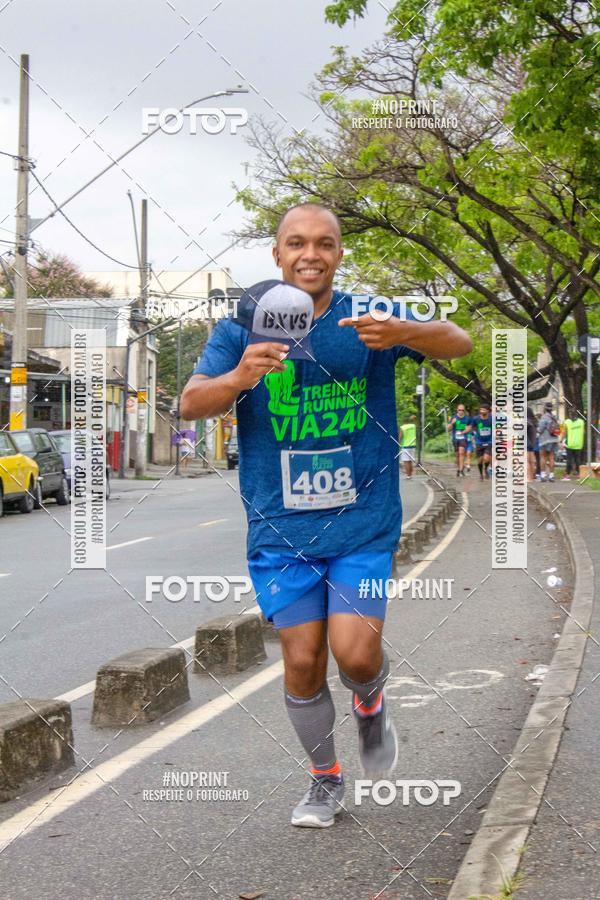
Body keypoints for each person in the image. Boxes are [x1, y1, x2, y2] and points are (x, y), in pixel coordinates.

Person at [180, 203, 472, 829]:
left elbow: (460, 340)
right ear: (278, 254)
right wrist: (237, 376)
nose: (310, 253)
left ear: (339, 253)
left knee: (356, 653)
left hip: (362, 518)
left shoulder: (370, 316)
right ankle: (325, 779)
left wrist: (405, 334)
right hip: (280, 529)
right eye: (296, 243)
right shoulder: (243, 325)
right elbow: (190, 404)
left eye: (325, 243)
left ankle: (370, 703)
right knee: (304, 661)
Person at [537, 401, 560, 481]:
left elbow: (540, 429)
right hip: (554, 439)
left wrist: (537, 430)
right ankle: (551, 475)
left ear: (545, 408)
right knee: (551, 457)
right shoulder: (554, 417)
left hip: (545, 440)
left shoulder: (544, 417)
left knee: (542, 456)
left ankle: (543, 475)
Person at [447, 403, 472, 477]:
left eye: (462, 410)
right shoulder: (454, 418)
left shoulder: (467, 418)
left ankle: (461, 471)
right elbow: (448, 429)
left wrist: (463, 432)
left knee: (461, 452)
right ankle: (459, 469)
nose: (461, 411)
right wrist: (452, 423)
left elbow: (469, 428)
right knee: (457, 455)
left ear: (464, 411)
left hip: (463, 438)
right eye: (459, 410)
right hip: (455, 439)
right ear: (457, 410)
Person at [471, 403, 493, 480]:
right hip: (479, 442)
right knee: (479, 461)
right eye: (480, 410)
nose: (481, 411)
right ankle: (481, 474)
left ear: (488, 411)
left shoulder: (492, 418)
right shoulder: (476, 419)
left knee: (486, 458)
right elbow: (472, 427)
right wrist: (473, 434)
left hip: (489, 441)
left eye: (483, 410)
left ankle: (485, 469)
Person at [561, 413, 584, 480]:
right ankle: (579, 474)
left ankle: (567, 475)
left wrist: (561, 440)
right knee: (578, 460)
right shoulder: (581, 422)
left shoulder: (567, 422)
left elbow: (564, 432)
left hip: (570, 444)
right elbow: (583, 431)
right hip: (579, 443)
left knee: (569, 460)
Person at [526, 407, 538, 483]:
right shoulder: (534, 422)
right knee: (532, 461)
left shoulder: (525, 422)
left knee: (525, 461)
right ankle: (532, 477)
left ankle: (527, 477)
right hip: (532, 443)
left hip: (525, 442)